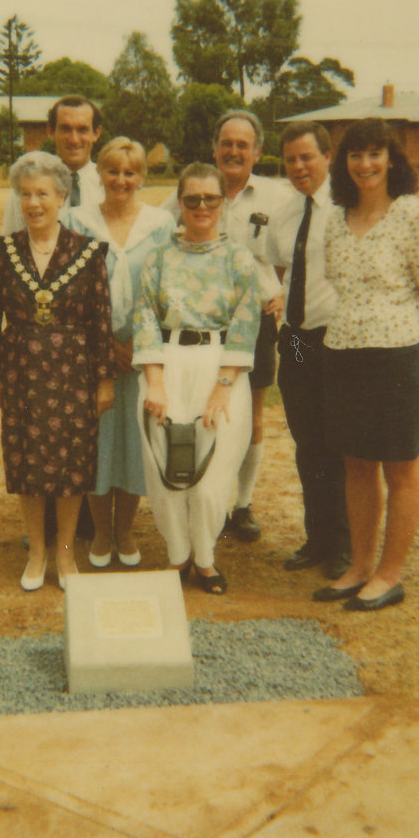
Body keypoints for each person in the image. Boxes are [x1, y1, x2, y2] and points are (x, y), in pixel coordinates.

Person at [313, 118, 419, 611]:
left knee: (401, 469)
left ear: (392, 158)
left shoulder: (413, 213)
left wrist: (416, 355)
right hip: (343, 352)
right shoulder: (336, 216)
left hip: (397, 356)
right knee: (356, 464)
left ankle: (390, 575)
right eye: (355, 155)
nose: (365, 164)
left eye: (375, 154)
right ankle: (360, 566)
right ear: (344, 164)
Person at [0, 151, 116, 591]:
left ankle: (65, 552)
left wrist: (104, 378)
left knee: (71, 464)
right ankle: (37, 550)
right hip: (21, 368)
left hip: (73, 370)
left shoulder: (90, 252)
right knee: (27, 461)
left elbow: (101, 319)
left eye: (43, 194)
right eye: (26, 195)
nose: (34, 203)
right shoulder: (2, 251)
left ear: (62, 197)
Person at [161, 110, 289, 542]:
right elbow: (162, 240)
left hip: (256, 323)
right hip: (202, 323)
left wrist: (285, 294)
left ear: (257, 151)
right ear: (214, 148)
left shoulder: (277, 197)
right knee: (203, 411)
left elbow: (298, 254)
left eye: (243, 144)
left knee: (250, 415)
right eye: (226, 143)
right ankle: (202, 498)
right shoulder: (194, 192)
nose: (234, 151)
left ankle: (241, 504)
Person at [133, 163, 261, 594]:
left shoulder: (240, 260)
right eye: (192, 199)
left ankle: (205, 560)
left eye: (210, 198)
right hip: (165, 366)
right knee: (165, 467)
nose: (201, 206)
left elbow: (247, 324)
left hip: (219, 367)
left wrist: (223, 388)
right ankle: (177, 557)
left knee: (211, 476)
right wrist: (154, 382)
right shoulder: (158, 259)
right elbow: (146, 317)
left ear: (223, 202)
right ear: (180, 203)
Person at [66, 137, 175, 568]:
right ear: (100, 175)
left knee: (135, 443)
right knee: (97, 444)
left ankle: (125, 531)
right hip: (93, 351)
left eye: (130, 173)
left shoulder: (160, 223)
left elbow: (166, 289)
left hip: (142, 351)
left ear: (142, 178)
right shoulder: (77, 220)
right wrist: (107, 345)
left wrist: (139, 345)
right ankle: (99, 536)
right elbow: (71, 290)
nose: (121, 180)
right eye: (112, 171)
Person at [265, 120, 351, 580]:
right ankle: (317, 539)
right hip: (297, 341)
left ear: (327, 157)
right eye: (291, 159)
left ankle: (344, 544)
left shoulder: (346, 208)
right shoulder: (284, 212)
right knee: (307, 443)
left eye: (307, 157)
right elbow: (281, 264)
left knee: (338, 445)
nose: (299, 167)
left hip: (335, 340)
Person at [2, 96, 104, 234]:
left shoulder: (108, 187)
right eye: (66, 129)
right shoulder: (27, 184)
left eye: (82, 130)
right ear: (51, 131)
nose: (74, 139)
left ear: (96, 133)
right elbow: (10, 244)